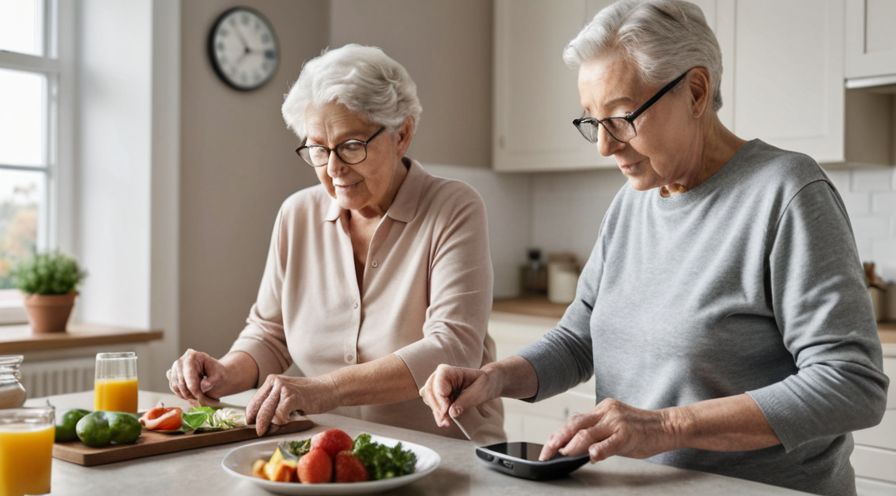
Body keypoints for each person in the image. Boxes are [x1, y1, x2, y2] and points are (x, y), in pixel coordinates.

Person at [419, 1, 888, 494]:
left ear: (696, 91)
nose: (604, 145)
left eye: (622, 117)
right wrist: (496, 378)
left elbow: (851, 384)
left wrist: (665, 426)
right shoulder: (631, 203)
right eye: (592, 122)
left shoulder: (786, 193)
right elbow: (580, 339)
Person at [167, 44, 503, 440]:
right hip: (336, 453)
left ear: (403, 134)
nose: (333, 168)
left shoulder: (452, 207)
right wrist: (226, 372)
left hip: (446, 450)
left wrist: (325, 389)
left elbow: (453, 349)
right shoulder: (297, 215)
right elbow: (270, 334)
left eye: (351, 146)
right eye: (318, 149)